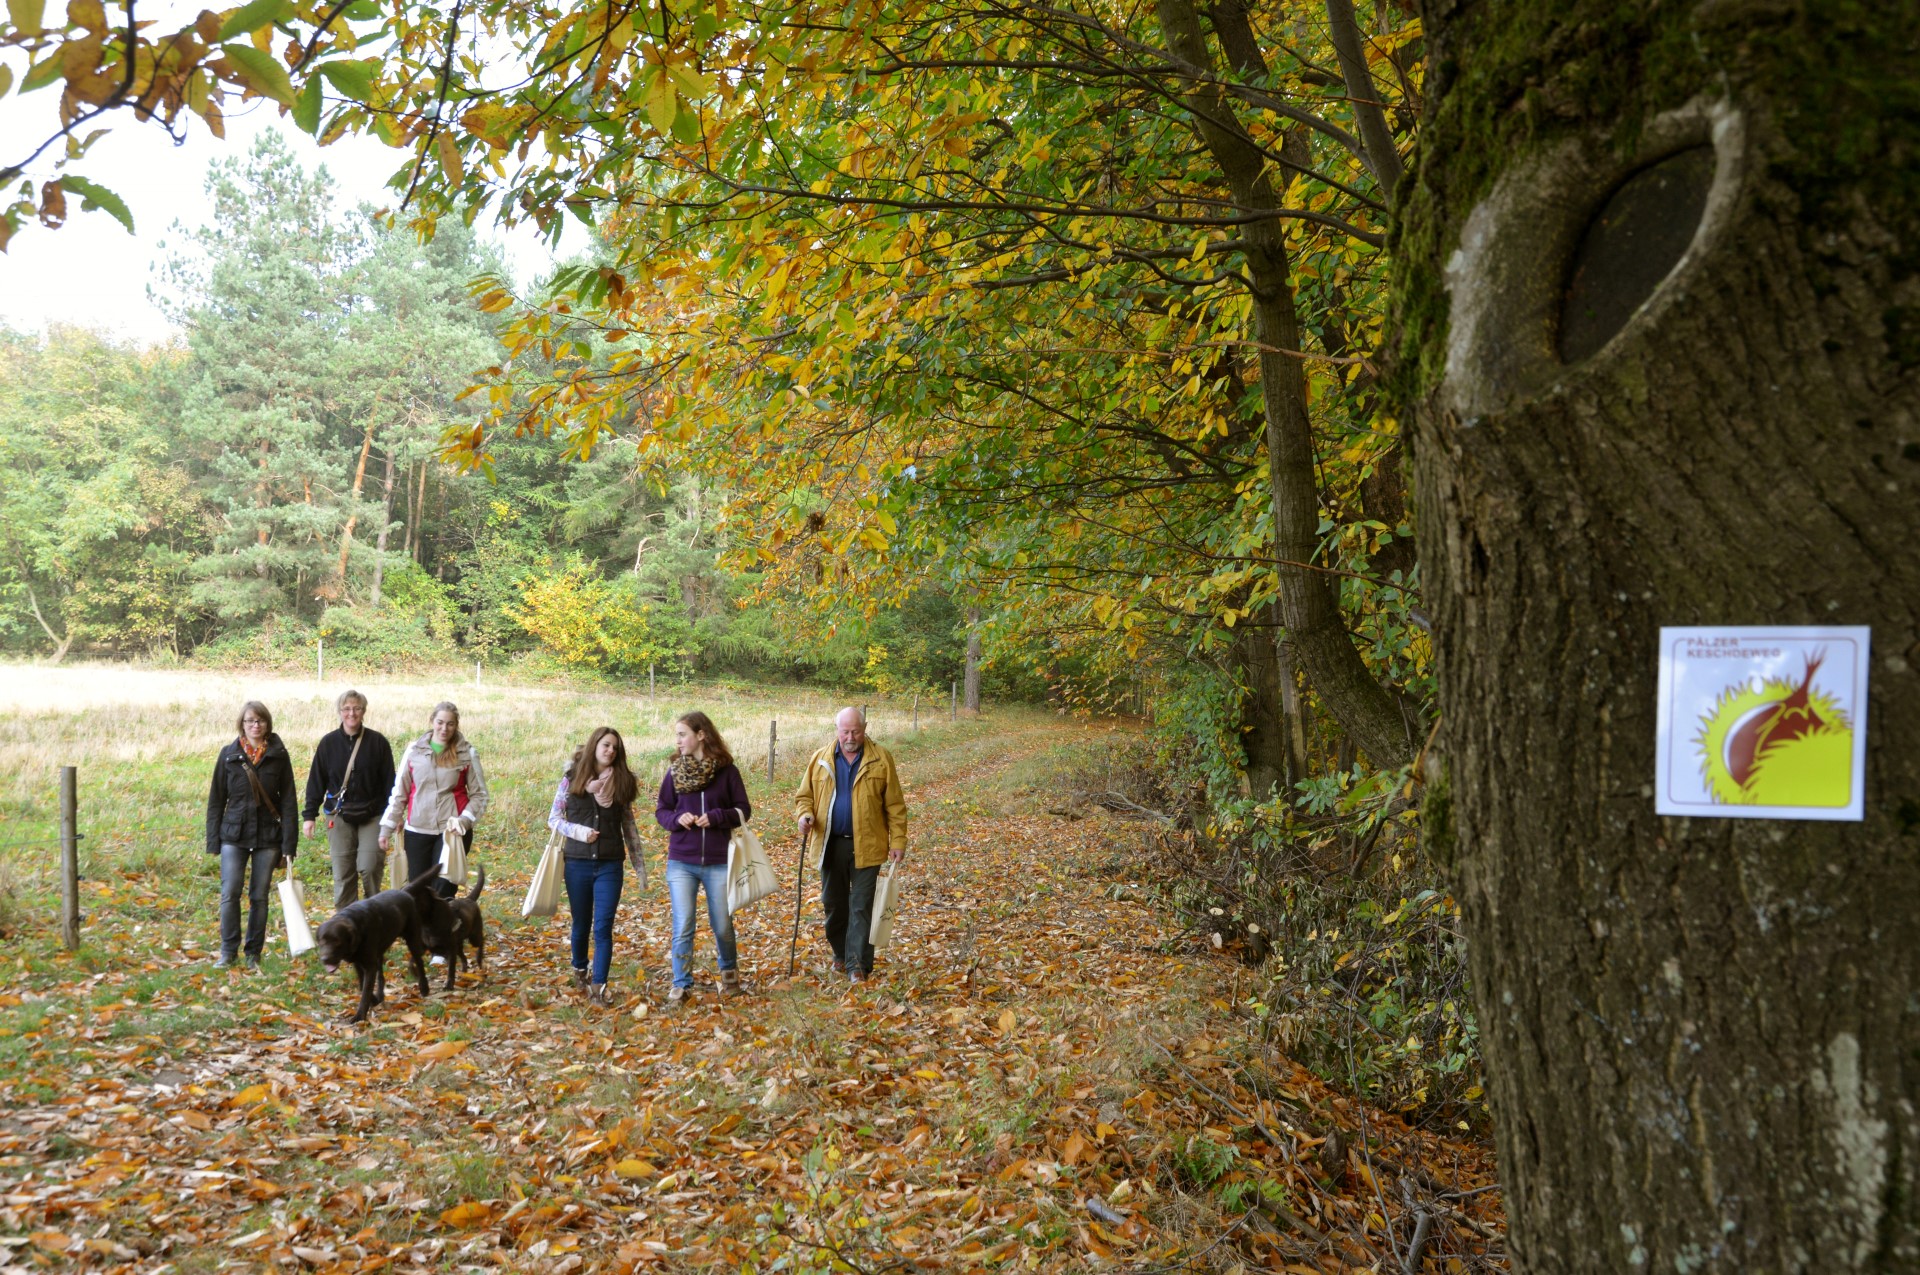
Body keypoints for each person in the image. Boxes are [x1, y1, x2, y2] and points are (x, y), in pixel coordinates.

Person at [794, 706, 907, 983]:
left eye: (855, 730)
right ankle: (841, 956)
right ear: (837, 730)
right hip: (830, 845)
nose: (850, 736)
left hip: (868, 843)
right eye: (845, 731)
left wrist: (899, 840)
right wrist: (804, 816)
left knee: (861, 906)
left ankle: (858, 965)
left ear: (865, 728)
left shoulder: (881, 759)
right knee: (833, 905)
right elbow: (803, 797)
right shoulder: (820, 759)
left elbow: (895, 804)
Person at [654, 710, 752, 1006]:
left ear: (701, 735)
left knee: (722, 923)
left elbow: (743, 811)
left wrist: (716, 817)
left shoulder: (727, 772)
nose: (678, 740)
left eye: (682, 734)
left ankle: (730, 977)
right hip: (681, 861)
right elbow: (661, 810)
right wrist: (676, 819)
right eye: (677, 735)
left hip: (719, 861)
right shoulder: (674, 772)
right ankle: (681, 985)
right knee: (683, 923)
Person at [548, 726, 645, 1006]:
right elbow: (553, 818)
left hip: (610, 865)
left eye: (615, 746)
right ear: (594, 747)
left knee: (603, 927)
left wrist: (640, 868)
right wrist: (579, 832)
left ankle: (598, 988)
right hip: (576, 863)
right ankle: (579, 968)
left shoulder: (623, 783)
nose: (610, 750)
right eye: (605, 745)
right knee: (581, 923)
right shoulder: (571, 779)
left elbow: (629, 826)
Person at [204, 700, 300, 968]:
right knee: (230, 891)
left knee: (259, 895)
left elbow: (289, 802)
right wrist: (214, 840)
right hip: (233, 835)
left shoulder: (279, 756)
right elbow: (216, 801)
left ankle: (253, 954)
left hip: (268, 838)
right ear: (242, 724)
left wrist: (288, 845)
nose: (255, 725)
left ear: (267, 724)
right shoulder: (228, 755)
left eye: (260, 721)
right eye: (250, 721)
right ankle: (228, 951)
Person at [379, 701, 489, 919]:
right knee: (418, 888)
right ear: (432, 721)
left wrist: (464, 820)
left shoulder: (467, 753)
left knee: (444, 888)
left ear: (456, 725)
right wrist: (387, 827)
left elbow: (480, 795)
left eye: (450, 724)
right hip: (417, 829)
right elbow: (399, 791)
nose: (444, 729)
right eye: (440, 722)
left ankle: (443, 941)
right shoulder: (414, 751)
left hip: (451, 832)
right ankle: (423, 936)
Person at [302, 689, 398, 910]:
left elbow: (390, 783)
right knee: (343, 874)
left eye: (356, 708)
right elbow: (316, 780)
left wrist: (394, 815)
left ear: (364, 711)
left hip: (372, 815)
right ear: (340, 712)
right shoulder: (328, 744)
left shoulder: (378, 742)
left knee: (369, 867)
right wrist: (309, 815)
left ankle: (375, 915)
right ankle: (346, 925)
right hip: (339, 815)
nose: (351, 713)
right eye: (346, 708)